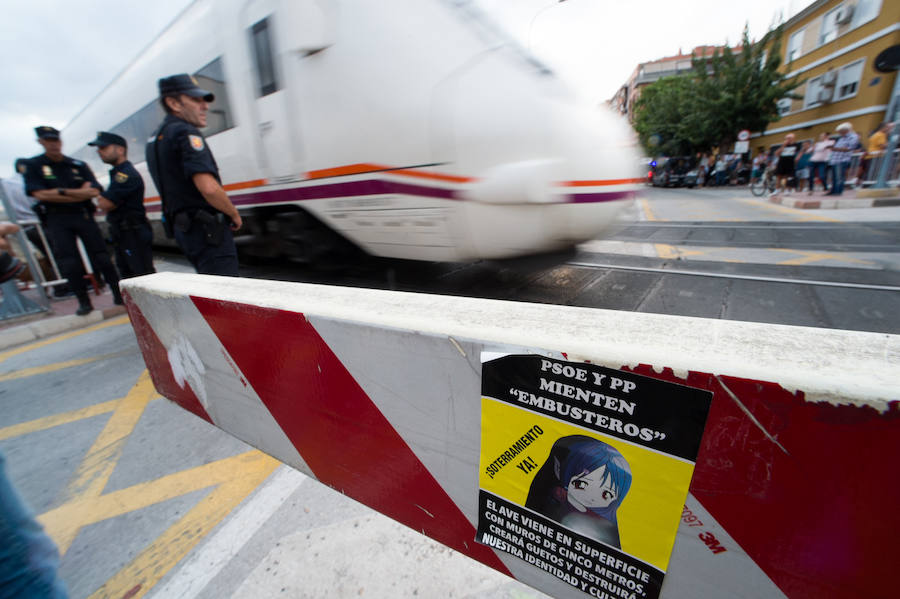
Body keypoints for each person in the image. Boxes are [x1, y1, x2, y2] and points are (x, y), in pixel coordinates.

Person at [146, 74, 242, 276]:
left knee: (210, 290)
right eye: (195, 100)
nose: (205, 106)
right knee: (226, 294)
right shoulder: (185, 132)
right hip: (207, 229)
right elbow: (208, 187)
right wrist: (232, 213)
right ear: (174, 103)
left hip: (185, 231)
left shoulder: (155, 139)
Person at [23, 126, 122, 315]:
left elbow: (94, 190)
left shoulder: (77, 165)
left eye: (56, 140)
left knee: (102, 256)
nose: (53, 145)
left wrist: (58, 193)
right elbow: (39, 194)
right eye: (48, 141)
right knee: (69, 262)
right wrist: (76, 193)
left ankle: (118, 295)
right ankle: (83, 301)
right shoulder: (34, 166)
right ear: (41, 142)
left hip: (82, 215)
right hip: (56, 220)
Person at [525, 435, 632, 549]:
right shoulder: (554, 495)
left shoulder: (604, 521)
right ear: (559, 470)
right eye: (581, 485)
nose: (592, 497)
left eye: (606, 494)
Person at [88, 132, 155, 278]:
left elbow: (105, 204)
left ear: (120, 150)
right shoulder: (118, 174)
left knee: (142, 276)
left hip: (132, 232)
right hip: (124, 232)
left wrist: (94, 193)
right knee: (129, 275)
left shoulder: (125, 175)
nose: (100, 152)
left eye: (104, 148)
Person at [827, 122, 860, 196]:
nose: (839, 133)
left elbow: (849, 148)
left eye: (840, 131)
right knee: (834, 177)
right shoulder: (841, 138)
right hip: (835, 159)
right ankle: (833, 190)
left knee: (840, 177)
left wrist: (835, 149)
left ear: (845, 130)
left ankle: (838, 191)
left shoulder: (853, 137)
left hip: (842, 159)